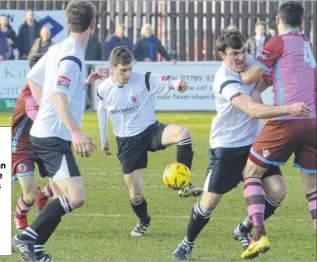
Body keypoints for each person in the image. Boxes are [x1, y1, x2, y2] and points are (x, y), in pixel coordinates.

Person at [171, 28, 311, 260]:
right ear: (221, 55)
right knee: (209, 203)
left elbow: (267, 76)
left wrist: (259, 87)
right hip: (226, 147)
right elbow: (252, 110)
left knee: (278, 191)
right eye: (234, 53)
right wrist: (288, 109)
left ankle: (244, 228)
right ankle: (187, 242)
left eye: (244, 51)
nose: (240, 57)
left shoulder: (250, 63)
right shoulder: (224, 79)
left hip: (255, 143)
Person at [11, 1, 99, 261]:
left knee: (62, 196)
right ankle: (26, 239)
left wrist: (83, 85)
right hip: (52, 137)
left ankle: (35, 249)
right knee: (76, 196)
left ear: (68, 23)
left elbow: (34, 79)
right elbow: (59, 93)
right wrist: (75, 131)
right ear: (92, 25)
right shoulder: (72, 57)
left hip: (46, 132)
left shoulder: (58, 48)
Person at [96, 46, 202, 238]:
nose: (128, 74)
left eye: (130, 69)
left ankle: (185, 184)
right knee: (135, 194)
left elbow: (168, 82)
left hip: (151, 131)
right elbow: (101, 110)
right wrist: (103, 139)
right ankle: (144, 220)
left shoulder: (143, 78)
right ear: (112, 67)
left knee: (182, 133)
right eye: (123, 70)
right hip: (127, 142)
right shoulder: (103, 88)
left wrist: (178, 84)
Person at [238, 1, 316, 259]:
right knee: (313, 190)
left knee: (250, 172)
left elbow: (248, 76)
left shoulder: (277, 43)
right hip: (313, 121)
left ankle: (258, 235)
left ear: (277, 21)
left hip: (287, 119)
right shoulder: (309, 46)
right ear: (302, 24)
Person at [11, 53, 53, 232]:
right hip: (22, 146)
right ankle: (20, 216)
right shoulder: (28, 94)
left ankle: (43, 196)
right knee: (29, 194)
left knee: (65, 183)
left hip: (41, 142)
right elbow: (37, 115)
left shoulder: (50, 89)